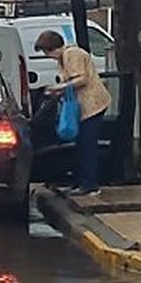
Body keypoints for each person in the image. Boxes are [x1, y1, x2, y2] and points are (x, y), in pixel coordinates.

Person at [36, 30, 111, 197]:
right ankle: (80, 181)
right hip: (83, 107)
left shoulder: (72, 54)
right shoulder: (64, 58)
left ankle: (90, 183)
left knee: (87, 144)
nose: (48, 56)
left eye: (46, 51)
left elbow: (81, 79)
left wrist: (58, 88)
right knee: (81, 144)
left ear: (52, 48)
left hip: (92, 105)